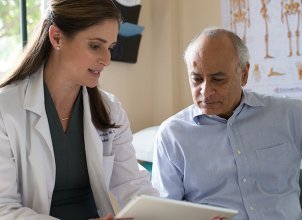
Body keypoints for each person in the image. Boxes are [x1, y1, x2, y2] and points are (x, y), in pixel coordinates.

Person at [0, 0, 158, 219]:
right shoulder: (5, 109)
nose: (106, 59)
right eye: (95, 46)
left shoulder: (109, 110)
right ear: (56, 37)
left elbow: (132, 184)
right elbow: (3, 208)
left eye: (110, 47)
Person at [151, 27, 302, 220]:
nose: (205, 92)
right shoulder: (171, 135)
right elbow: (163, 214)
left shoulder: (291, 115)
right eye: (197, 79)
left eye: (218, 79)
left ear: (245, 74)